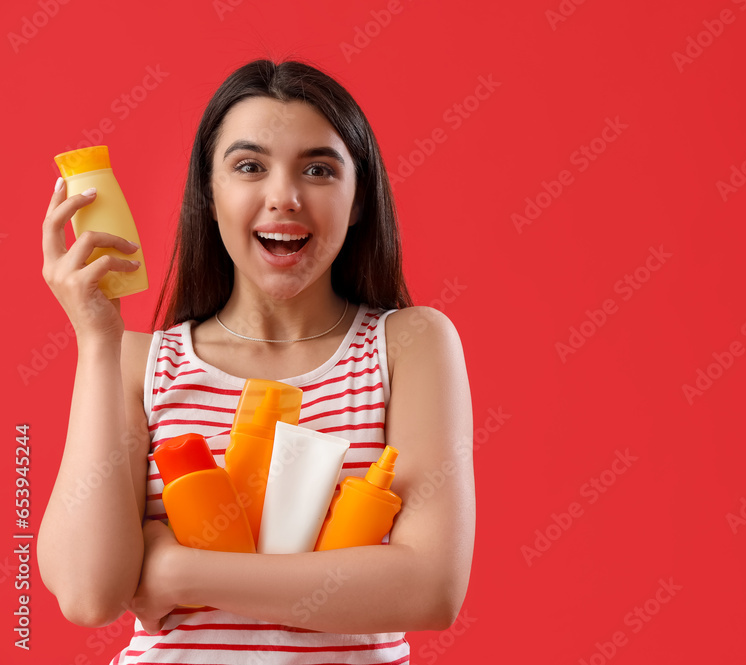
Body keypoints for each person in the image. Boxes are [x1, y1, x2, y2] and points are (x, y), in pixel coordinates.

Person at [37, 58, 475, 664]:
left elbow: (429, 589)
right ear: (210, 197)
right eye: (249, 166)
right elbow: (89, 595)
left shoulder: (408, 346)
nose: (284, 197)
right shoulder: (139, 362)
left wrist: (180, 570)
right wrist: (95, 339)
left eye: (318, 169)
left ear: (357, 201)